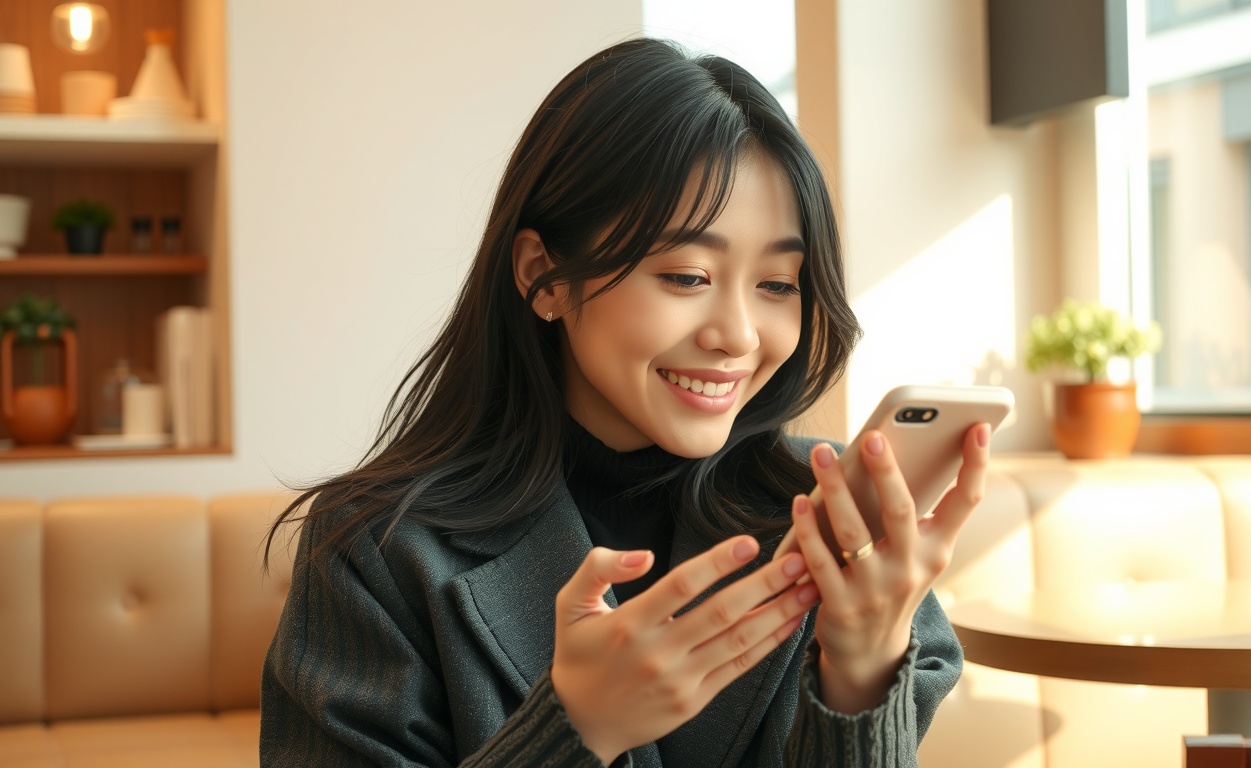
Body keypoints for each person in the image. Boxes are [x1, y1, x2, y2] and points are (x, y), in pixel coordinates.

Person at [259, 37, 991, 767]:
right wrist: (575, 729)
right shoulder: (378, 555)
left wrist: (861, 678)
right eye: (685, 275)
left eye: (776, 285)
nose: (738, 334)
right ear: (545, 277)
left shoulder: (829, 525)